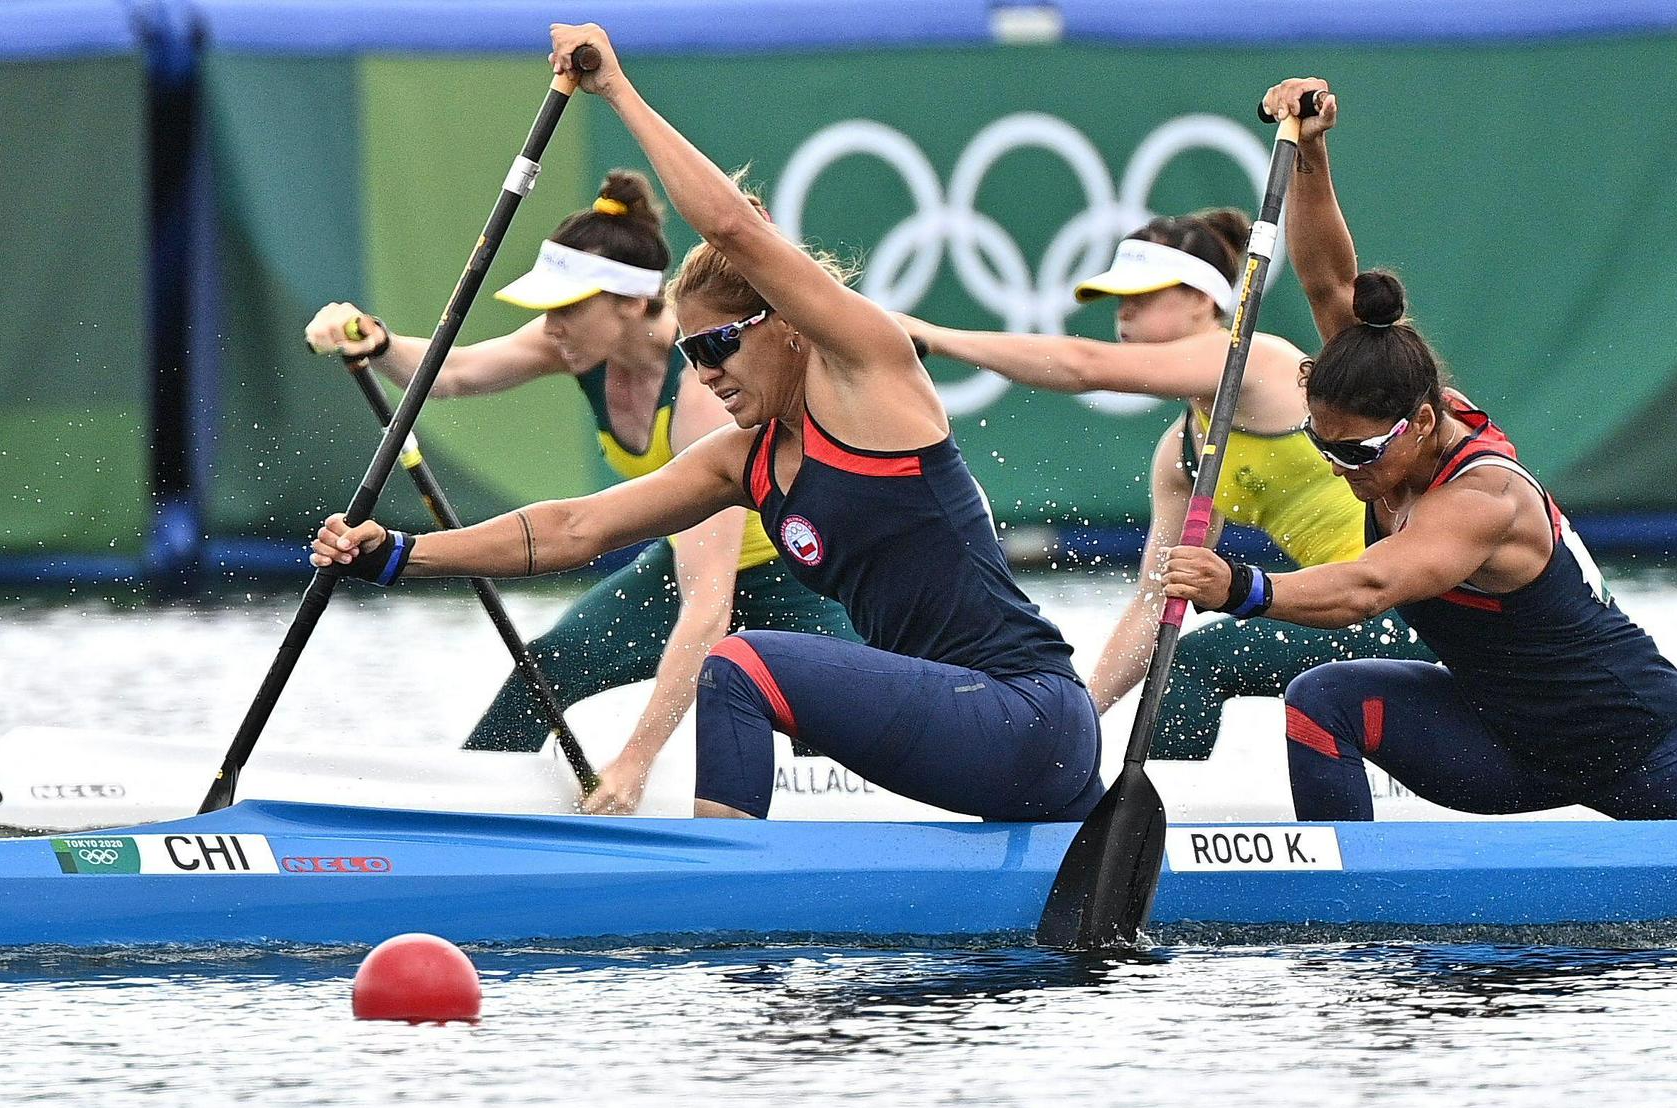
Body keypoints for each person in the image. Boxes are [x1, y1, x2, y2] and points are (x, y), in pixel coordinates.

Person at [310, 23, 1102, 824]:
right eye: (689, 353)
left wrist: (614, 88)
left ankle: (730, 926)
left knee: (738, 664)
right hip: (982, 741)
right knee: (725, 667)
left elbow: (733, 230)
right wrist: (398, 556)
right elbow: (574, 529)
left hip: (1028, 715)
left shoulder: (871, 376)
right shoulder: (742, 462)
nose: (705, 372)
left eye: (720, 344)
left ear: (786, 322)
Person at [1157, 77, 1677, 824]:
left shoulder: (1484, 500)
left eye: (1357, 455)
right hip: (1505, 743)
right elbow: (1328, 282)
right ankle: (1352, 908)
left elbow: (1367, 588)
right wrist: (1312, 151)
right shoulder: (1380, 392)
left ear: (1422, 425)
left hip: (1643, 746)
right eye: (1324, 446)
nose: (1340, 467)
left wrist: (1242, 588)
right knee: (1322, 700)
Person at [303, 171, 850, 813]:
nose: (551, 324)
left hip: (800, 577)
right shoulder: (579, 345)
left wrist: (633, 764)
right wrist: (380, 339)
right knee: (546, 668)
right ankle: (464, 815)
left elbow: (709, 610)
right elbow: (451, 373)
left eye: (568, 307)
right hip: (684, 570)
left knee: (830, 728)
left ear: (631, 304)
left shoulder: (704, 392)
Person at [904, 210, 1427, 761]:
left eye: (1144, 296)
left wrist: (935, 337)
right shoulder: (1181, 455)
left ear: (1204, 300)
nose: (1124, 314)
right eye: (1118, 301)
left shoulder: (1258, 362)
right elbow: (1157, 602)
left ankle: (1170, 816)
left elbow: (1086, 366)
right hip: (1339, 605)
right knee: (1177, 651)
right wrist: (1083, 711)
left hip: (1405, 600)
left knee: (1192, 665)